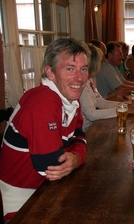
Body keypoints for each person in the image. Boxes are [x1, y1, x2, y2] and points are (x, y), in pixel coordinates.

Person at [0, 38, 89, 222]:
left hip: (44, 193)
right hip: (21, 206)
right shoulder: (44, 101)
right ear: (50, 72)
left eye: (84, 69)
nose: (79, 78)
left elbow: (79, 134)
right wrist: (76, 157)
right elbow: (52, 169)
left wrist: (75, 157)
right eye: (70, 69)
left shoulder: (70, 100)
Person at [80, 43, 134, 132]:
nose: (103, 62)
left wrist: (124, 106)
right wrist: (122, 110)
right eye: (101, 61)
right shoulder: (82, 83)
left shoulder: (90, 80)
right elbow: (92, 115)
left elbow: (100, 102)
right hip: (87, 130)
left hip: (95, 125)